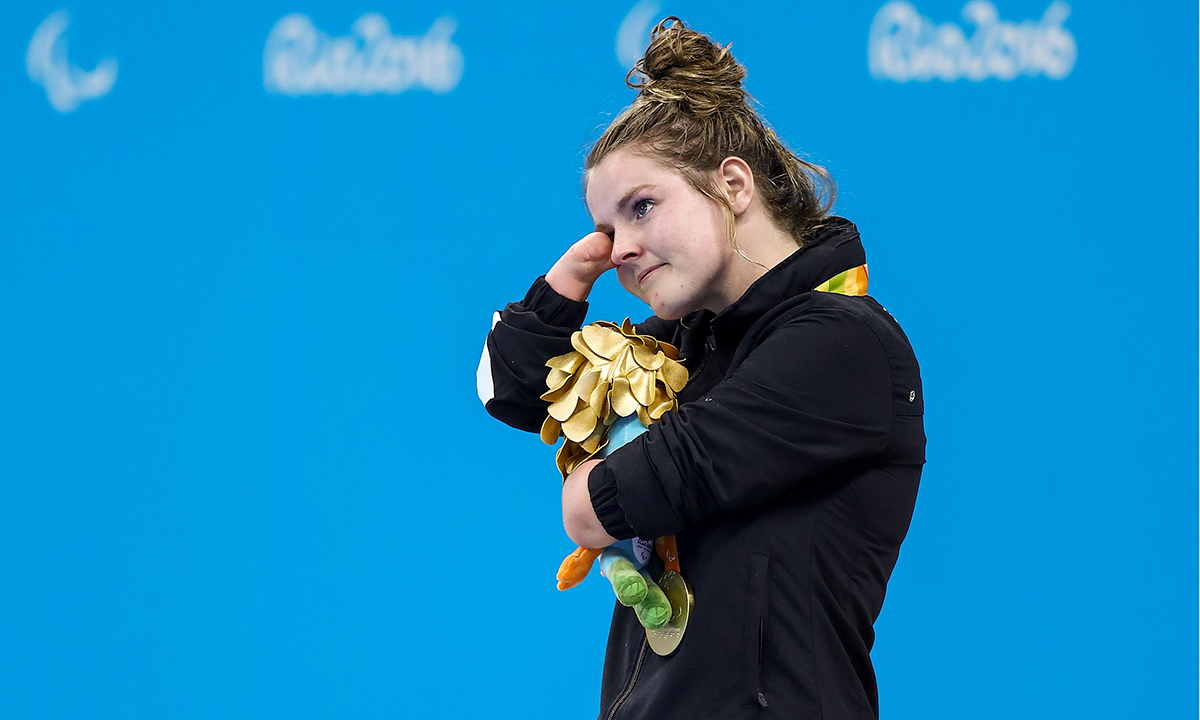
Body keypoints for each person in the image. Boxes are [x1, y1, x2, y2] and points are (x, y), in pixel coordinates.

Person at [477, 17, 924, 720]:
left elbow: (614, 497)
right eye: (606, 227)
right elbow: (513, 393)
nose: (621, 246)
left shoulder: (842, 344)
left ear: (735, 185)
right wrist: (567, 280)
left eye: (643, 207)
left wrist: (588, 485)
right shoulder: (684, 344)